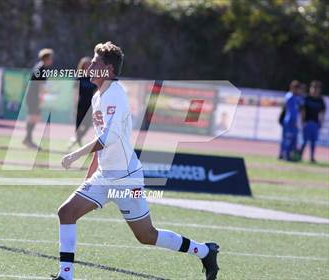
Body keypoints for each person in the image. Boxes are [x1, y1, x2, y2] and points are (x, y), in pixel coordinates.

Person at [52, 42, 219, 280]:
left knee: (147, 236)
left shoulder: (117, 94)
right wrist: (90, 175)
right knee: (66, 212)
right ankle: (65, 276)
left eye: (95, 62)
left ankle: (204, 251)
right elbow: (102, 142)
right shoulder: (97, 96)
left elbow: (109, 138)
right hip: (104, 175)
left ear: (108, 69)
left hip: (125, 179)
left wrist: (76, 154)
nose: (90, 65)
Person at [23, 48, 54, 149]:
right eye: (50, 58)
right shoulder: (40, 68)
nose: (51, 60)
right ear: (45, 58)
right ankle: (28, 139)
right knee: (33, 117)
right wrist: (41, 96)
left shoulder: (41, 68)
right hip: (33, 97)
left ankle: (28, 139)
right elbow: (39, 85)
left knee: (34, 117)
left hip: (33, 96)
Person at [68, 57, 97, 150]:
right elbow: (75, 92)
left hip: (90, 104)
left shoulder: (93, 78)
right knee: (79, 125)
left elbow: (96, 92)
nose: (88, 66)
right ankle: (77, 139)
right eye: (86, 65)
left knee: (88, 124)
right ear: (82, 66)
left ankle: (76, 139)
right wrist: (74, 104)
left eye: (90, 64)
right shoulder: (79, 77)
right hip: (80, 104)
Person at [300, 81, 326, 163]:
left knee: (313, 142)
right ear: (310, 88)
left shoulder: (320, 100)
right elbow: (302, 110)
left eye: (316, 88)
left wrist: (321, 122)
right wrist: (302, 121)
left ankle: (312, 157)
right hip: (307, 122)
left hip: (315, 123)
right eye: (313, 88)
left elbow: (322, 112)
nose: (314, 90)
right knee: (304, 141)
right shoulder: (307, 98)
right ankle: (299, 156)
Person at [279, 80, 302, 161]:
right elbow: (291, 111)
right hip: (289, 121)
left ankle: (289, 155)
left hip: (293, 121)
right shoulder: (290, 97)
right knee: (287, 139)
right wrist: (294, 121)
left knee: (293, 140)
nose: (298, 91)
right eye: (297, 89)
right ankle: (285, 155)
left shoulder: (297, 97)